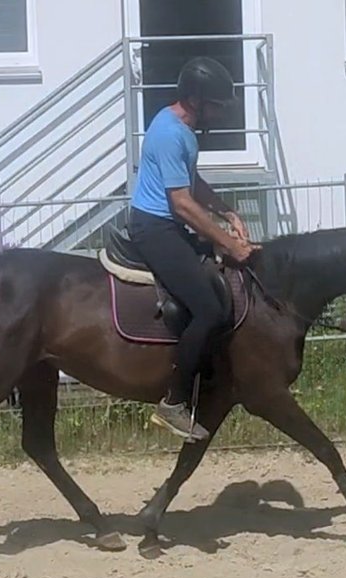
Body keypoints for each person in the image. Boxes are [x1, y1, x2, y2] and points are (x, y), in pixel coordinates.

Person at [128, 56, 256, 442]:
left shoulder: (181, 129)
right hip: (154, 228)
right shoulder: (170, 134)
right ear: (197, 100)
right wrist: (228, 242)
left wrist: (227, 212)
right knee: (209, 309)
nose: (220, 113)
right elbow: (181, 203)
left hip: (167, 223)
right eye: (217, 105)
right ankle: (174, 402)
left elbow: (193, 182)